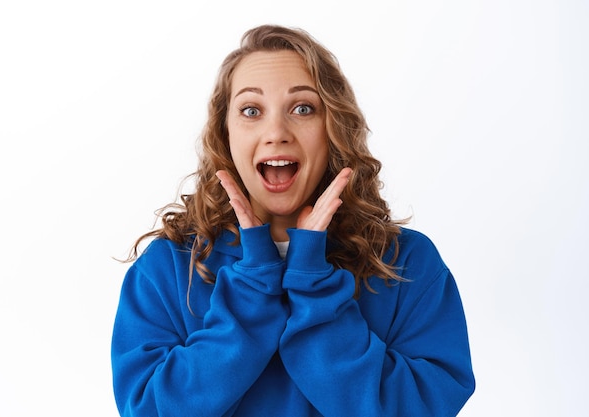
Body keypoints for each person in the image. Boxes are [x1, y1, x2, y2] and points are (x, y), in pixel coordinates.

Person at [111, 24, 475, 417]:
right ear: (225, 133)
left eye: (303, 108)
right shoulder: (167, 267)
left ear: (333, 128)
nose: (276, 132)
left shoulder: (407, 262)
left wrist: (312, 282)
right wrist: (253, 284)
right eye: (252, 111)